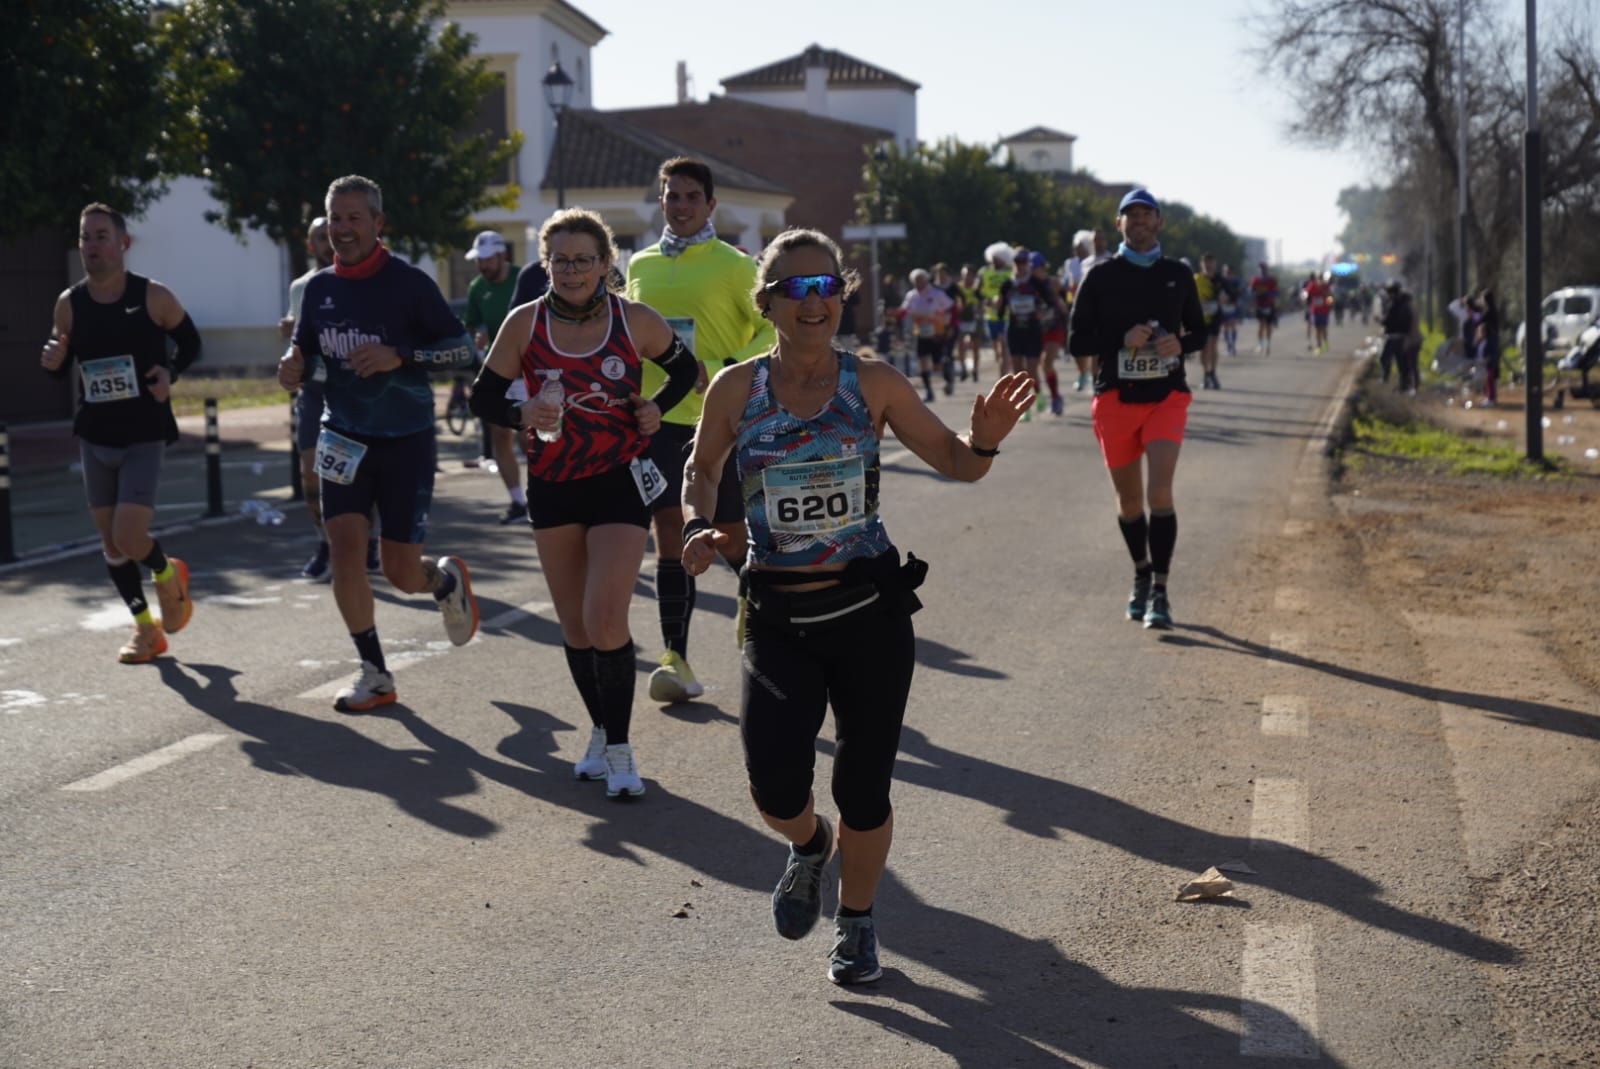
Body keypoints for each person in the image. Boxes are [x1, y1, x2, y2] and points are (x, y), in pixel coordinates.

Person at [680, 228, 1034, 985]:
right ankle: (810, 845)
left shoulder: (873, 382)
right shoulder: (736, 389)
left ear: (843, 296)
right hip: (778, 616)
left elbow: (955, 461)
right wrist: (695, 525)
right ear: (766, 302)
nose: (814, 301)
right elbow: (702, 469)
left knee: (863, 788)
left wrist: (983, 442)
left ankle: (858, 921)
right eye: (795, 288)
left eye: (827, 286)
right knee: (776, 789)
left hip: (869, 613)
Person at [471, 207, 699, 798]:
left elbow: (685, 370)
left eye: (583, 260)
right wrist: (522, 412)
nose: (571, 271)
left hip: (619, 480)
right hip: (553, 483)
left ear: (604, 264)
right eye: (560, 261)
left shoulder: (634, 319)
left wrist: (655, 409)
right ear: (546, 264)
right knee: (574, 626)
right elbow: (483, 398)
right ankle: (599, 729)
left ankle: (621, 751)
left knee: (605, 618)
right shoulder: (524, 323)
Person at [277, 175, 480, 712]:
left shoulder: (408, 284)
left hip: (404, 439)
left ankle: (442, 581)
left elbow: (462, 351)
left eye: (354, 218)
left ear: (377, 223)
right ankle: (374, 672)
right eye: (335, 219)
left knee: (400, 573)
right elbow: (307, 356)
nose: (343, 229)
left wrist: (401, 356)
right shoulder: (317, 289)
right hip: (342, 437)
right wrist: (293, 367)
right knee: (345, 553)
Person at [625, 157, 775, 705]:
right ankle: (675, 659)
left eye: (692, 197)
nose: (682, 206)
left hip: (721, 419)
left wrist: (726, 367)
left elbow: (770, 329)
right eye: (673, 196)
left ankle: (752, 594)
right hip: (657, 419)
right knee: (671, 532)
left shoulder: (736, 266)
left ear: (711, 204)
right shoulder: (639, 264)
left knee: (728, 535)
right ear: (661, 202)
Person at [40, 203, 202, 664]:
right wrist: (52, 363)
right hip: (96, 435)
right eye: (85, 237)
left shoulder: (153, 296)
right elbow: (61, 366)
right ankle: (147, 630)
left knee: (130, 537)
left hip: (143, 433)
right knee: (111, 544)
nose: (92, 245)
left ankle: (167, 573)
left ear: (123, 243)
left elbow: (191, 343)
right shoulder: (69, 304)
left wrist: (170, 372)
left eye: (102, 236)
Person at [1066, 188, 1205, 630]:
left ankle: (1161, 591)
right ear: (1119, 224)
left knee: (1159, 494)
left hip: (1166, 397)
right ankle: (1142, 574)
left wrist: (1179, 343)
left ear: (1159, 222)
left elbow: (1200, 332)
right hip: (1115, 398)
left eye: (1148, 214)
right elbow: (1076, 342)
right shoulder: (1100, 277)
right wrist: (1119, 340)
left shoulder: (1177, 274)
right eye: (1132, 215)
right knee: (1129, 502)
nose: (1140, 221)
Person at [281, 217, 339, 581]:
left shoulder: (354, 280)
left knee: (357, 471)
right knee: (310, 470)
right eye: (319, 237)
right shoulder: (300, 287)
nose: (326, 242)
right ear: (309, 245)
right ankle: (324, 542)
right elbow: (296, 334)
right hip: (313, 388)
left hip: (350, 387)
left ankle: (369, 539)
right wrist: (289, 333)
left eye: (328, 235)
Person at [463, 230, 529, 524]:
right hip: (498, 372)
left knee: (530, 438)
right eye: (479, 260)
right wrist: (475, 337)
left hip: (529, 371)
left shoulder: (523, 278)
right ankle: (517, 502)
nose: (482, 265)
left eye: (488, 259)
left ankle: (544, 495)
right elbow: (471, 326)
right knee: (500, 436)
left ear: (502, 255)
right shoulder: (477, 287)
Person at [899, 268, 953, 403]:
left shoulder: (937, 293)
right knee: (922, 362)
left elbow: (951, 308)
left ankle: (948, 376)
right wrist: (897, 314)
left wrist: (947, 324)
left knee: (937, 365)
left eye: (920, 280)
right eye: (915, 281)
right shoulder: (911, 295)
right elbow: (904, 310)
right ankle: (929, 391)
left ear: (926, 280)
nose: (918, 284)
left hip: (936, 333)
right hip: (921, 333)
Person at [978, 242, 1013, 381]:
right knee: (996, 348)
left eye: (997, 258)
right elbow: (977, 292)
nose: (994, 260)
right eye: (992, 257)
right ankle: (1003, 364)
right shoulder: (985, 272)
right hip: (990, 315)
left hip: (1006, 315)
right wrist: (986, 300)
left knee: (1004, 346)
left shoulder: (1010, 273)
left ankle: (1003, 376)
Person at [1193, 253, 1224, 389]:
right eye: (1206, 262)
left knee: (1212, 345)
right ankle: (1206, 374)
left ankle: (1213, 373)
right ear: (1201, 264)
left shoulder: (1220, 280)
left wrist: (1225, 298)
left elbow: (1233, 295)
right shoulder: (1196, 279)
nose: (1208, 265)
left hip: (1215, 317)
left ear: (1215, 264)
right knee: (1204, 347)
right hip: (1200, 318)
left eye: (1211, 262)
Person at [1248, 261, 1279, 355]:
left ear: (1266, 269)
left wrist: (1268, 294)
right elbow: (1250, 292)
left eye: (1263, 268)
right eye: (1260, 268)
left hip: (1269, 305)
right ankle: (1261, 344)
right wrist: (1257, 293)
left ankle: (1268, 344)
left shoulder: (1271, 280)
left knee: (1268, 326)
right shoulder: (1255, 279)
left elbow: (1276, 292)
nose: (1262, 270)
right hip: (1259, 305)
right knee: (1260, 325)